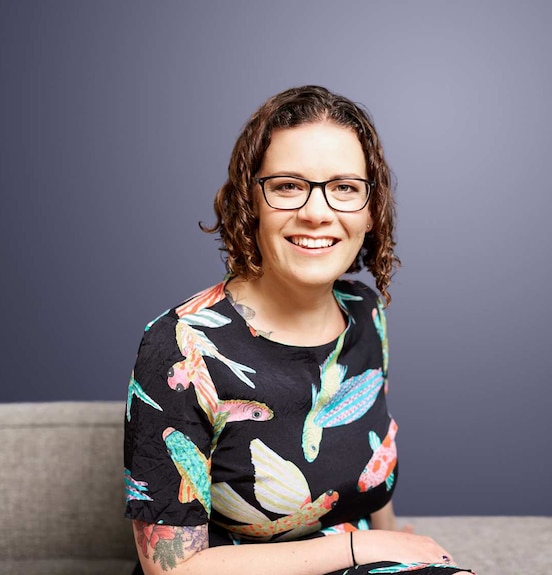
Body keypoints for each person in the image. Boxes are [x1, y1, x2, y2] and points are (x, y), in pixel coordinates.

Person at [124, 85, 473, 575]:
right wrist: (357, 549)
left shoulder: (366, 313)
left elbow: (369, 468)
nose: (316, 211)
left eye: (345, 188)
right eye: (289, 185)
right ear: (251, 201)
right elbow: (172, 571)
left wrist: (393, 543)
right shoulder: (181, 347)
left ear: (371, 211)